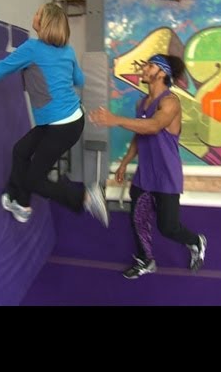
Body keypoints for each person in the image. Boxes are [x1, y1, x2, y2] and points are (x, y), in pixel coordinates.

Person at [0, 2, 108, 227]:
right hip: (70, 120)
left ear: (43, 22)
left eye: (38, 13)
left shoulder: (32, 48)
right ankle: (20, 203)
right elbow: (80, 80)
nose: (35, 15)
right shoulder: (67, 50)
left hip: (60, 126)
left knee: (34, 180)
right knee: (20, 151)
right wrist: (58, 75)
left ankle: (85, 198)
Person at [88, 53, 206, 278]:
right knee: (138, 220)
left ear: (162, 73)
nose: (143, 69)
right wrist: (124, 163)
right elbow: (140, 133)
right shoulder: (141, 102)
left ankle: (196, 241)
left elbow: (153, 126)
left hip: (167, 175)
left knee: (168, 227)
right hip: (145, 174)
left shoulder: (170, 102)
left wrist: (116, 119)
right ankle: (145, 260)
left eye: (150, 66)